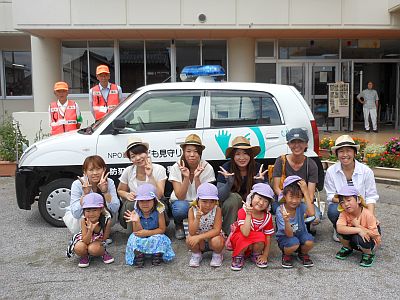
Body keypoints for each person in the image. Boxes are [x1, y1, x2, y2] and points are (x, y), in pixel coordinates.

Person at [324, 135, 379, 242]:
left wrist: (370, 217)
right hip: (342, 206)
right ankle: (339, 227)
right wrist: (346, 202)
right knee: (333, 210)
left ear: (355, 153)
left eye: (348, 150)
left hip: (360, 206)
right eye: (341, 151)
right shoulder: (331, 171)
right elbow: (330, 195)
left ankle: (355, 228)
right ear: (336, 154)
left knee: (368, 237)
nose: (345, 155)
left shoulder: (366, 171)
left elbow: (371, 197)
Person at [271, 128, 321, 231]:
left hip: (302, 200)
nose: (296, 145)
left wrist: (299, 200)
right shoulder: (281, 161)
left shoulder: (311, 165)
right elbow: (276, 187)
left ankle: (300, 225)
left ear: (306, 144)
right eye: (293, 142)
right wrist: (289, 201)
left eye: (300, 142)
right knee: (287, 213)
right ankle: (287, 224)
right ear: (288, 144)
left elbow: (310, 195)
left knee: (315, 217)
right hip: (282, 200)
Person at [217, 135, 267, 235]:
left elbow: (268, 196)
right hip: (232, 204)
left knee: (259, 199)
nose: (242, 158)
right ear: (233, 156)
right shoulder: (226, 168)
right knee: (234, 198)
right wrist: (229, 183)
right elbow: (220, 196)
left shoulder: (257, 168)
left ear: (250, 155)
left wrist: (260, 183)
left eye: (245, 153)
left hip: (251, 203)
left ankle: (257, 231)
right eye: (238, 154)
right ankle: (230, 233)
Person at [168, 134, 215, 239]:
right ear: (184, 152)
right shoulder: (177, 167)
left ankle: (202, 226)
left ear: (200, 153)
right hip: (182, 202)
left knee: (207, 206)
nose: (192, 155)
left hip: (200, 202)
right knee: (180, 209)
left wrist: (197, 177)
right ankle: (178, 224)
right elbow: (180, 196)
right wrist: (186, 177)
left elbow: (205, 196)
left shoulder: (207, 168)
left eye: (195, 151)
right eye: (188, 151)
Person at [117, 137, 167, 234]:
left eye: (140, 153)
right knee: (132, 204)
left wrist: (150, 175)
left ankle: (156, 231)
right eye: (133, 156)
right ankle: (134, 235)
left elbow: (160, 195)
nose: (138, 158)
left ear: (147, 153)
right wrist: (127, 195)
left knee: (158, 206)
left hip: (155, 202)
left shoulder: (159, 169)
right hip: (137, 205)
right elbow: (120, 190)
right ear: (130, 159)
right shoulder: (128, 171)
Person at [64, 155, 120, 235]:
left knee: (110, 216)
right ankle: (85, 234)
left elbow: (115, 209)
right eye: (91, 170)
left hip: (101, 213)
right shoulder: (77, 184)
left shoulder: (109, 182)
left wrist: (105, 192)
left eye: (98, 169)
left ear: (104, 169)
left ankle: (102, 234)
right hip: (82, 217)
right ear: (85, 172)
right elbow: (76, 214)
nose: (95, 173)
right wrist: (85, 195)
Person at [124, 184, 175, 267]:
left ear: (154, 201)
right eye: (141, 201)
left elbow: (162, 230)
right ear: (137, 202)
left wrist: (148, 233)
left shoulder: (159, 211)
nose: (145, 204)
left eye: (148, 200)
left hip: (154, 234)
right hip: (141, 235)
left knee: (161, 238)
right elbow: (137, 232)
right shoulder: (135, 212)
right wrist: (137, 221)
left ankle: (156, 254)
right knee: (133, 238)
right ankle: (139, 255)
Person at [229, 183, 274, 271]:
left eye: (265, 201)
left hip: (254, 243)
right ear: (251, 197)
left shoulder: (268, 216)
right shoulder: (243, 211)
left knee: (262, 236)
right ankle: (239, 256)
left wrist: (265, 255)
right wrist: (248, 214)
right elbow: (245, 233)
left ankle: (256, 254)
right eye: (259, 198)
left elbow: (268, 237)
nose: (261, 203)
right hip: (241, 239)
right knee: (242, 237)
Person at [334, 186, 381, 267]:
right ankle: (347, 248)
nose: (346, 204)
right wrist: (358, 230)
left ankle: (368, 254)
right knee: (341, 231)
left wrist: (358, 225)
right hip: (356, 235)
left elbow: (375, 235)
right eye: (342, 202)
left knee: (358, 238)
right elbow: (340, 228)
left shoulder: (368, 214)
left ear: (358, 200)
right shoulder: (344, 213)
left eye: (349, 200)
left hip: (370, 241)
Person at [276, 176, 315, 269]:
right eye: (291, 197)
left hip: (300, 234)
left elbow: (312, 213)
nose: (294, 201)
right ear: (284, 196)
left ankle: (302, 253)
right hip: (286, 237)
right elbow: (289, 234)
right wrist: (286, 220)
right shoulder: (280, 210)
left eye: (298, 197)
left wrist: (305, 192)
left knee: (310, 241)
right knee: (293, 242)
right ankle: (286, 254)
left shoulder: (300, 206)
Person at [66, 193, 114, 268]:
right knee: (78, 248)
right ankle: (85, 255)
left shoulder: (107, 220)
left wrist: (96, 229)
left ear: (101, 209)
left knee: (94, 249)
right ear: (84, 211)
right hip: (85, 238)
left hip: (99, 240)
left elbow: (104, 238)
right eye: (88, 211)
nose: (91, 214)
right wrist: (90, 230)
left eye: (95, 210)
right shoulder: (83, 220)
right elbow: (85, 240)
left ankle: (103, 253)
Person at [186, 183, 224, 268]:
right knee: (189, 239)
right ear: (198, 200)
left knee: (218, 240)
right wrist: (197, 218)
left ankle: (217, 254)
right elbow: (192, 231)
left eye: (212, 201)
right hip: (198, 240)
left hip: (212, 238)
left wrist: (199, 237)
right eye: (204, 201)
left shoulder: (217, 210)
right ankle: (196, 254)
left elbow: (217, 230)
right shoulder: (192, 210)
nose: (208, 205)